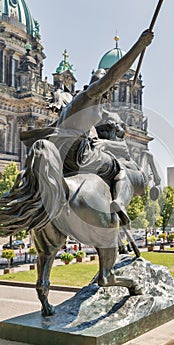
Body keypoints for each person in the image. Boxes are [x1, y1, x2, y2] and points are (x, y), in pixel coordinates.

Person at [20, 29, 154, 226]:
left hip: (67, 154)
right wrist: (139, 46)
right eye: (107, 88)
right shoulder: (88, 97)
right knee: (119, 169)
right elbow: (113, 76)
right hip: (78, 156)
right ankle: (118, 204)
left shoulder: (76, 104)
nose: (109, 94)